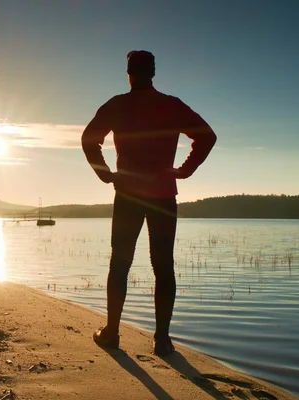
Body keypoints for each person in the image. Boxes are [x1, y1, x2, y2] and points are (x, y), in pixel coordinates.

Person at [81, 50, 217, 356]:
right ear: (153, 73)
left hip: (128, 194)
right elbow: (207, 136)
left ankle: (112, 333)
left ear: (129, 73)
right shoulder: (171, 105)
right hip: (163, 196)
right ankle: (162, 340)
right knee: (163, 266)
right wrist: (184, 170)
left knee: (120, 263)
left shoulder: (117, 105)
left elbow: (89, 139)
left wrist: (106, 175)